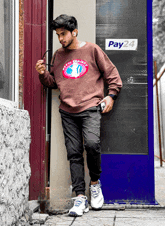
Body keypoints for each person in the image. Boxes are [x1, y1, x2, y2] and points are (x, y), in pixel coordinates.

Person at [35, 14, 122, 217]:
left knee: (92, 145)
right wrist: (42, 74)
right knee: (73, 153)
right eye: (58, 35)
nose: (61, 39)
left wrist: (111, 96)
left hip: (91, 107)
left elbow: (113, 75)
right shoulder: (58, 55)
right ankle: (80, 197)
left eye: (63, 34)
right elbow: (54, 83)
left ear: (74, 32)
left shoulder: (92, 50)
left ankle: (94, 184)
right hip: (67, 111)